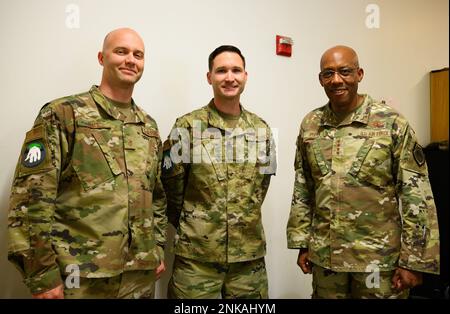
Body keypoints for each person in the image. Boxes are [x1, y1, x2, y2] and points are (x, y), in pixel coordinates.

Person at [7, 28, 167, 299]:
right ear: (101, 58)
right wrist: (41, 275)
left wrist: (158, 247)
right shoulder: (63, 114)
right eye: (121, 51)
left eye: (137, 55)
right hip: (79, 279)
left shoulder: (148, 127)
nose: (131, 60)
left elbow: (158, 197)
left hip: (139, 278)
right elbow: (31, 199)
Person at [286, 45, 440, 299]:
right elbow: (303, 187)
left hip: (379, 263)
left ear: (359, 74)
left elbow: (417, 195)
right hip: (326, 260)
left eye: (345, 71)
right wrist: (302, 244)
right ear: (320, 79)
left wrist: (414, 261)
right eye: (328, 74)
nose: (336, 80)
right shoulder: (311, 124)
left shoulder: (391, 123)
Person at [161, 45, 276, 299]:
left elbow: (260, 188)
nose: (229, 77)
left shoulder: (262, 130)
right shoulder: (187, 127)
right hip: (196, 259)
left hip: (248, 261)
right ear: (209, 77)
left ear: (246, 76)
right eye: (221, 70)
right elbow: (170, 187)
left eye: (236, 70)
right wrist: (197, 223)